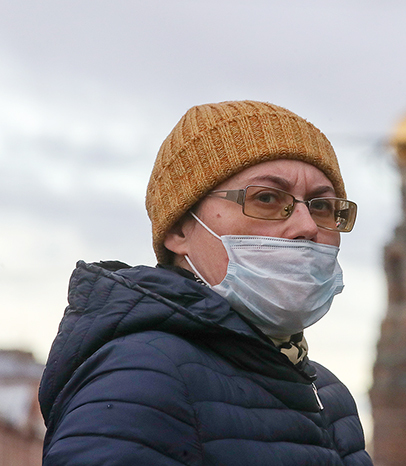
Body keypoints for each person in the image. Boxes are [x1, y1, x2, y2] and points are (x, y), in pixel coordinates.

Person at [38, 100, 373, 465]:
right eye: (266, 198)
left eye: (322, 206)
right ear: (181, 229)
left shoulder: (327, 394)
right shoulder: (143, 376)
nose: (307, 226)